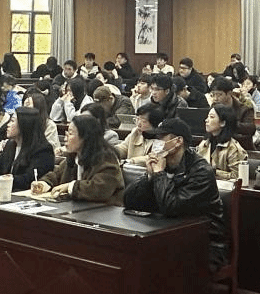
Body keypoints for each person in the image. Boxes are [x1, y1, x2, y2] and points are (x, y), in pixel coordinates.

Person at [122, 117, 226, 270]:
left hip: (204, 244)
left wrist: (159, 175)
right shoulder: (162, 165)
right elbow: (129, 201)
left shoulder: (201, 171)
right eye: (155, 139)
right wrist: (149, 176)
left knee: (153, 266)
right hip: (167, 236)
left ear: (178, 141)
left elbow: (171, 207)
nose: (156, 144)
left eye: (161, 138)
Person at [31, 113, 124, 204]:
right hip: (79, 208)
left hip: (104, 210)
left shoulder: (106, 158)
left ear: (85, 137)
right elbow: (56, 174)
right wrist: (45, 183)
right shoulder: (74, 157)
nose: (65, 139)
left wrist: (70, 187)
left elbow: (100, 189)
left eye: (70, 133)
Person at [0, 106, 55, 192]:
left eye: (12, 121)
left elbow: (28, 179)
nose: (8, 125)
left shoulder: (43, 150)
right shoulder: (10, 144)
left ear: (24, 124)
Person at [197, 104, 247, 180]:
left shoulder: (233, 148)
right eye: (208, 117)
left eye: (211, 117)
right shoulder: (204, 143)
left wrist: (214, 172)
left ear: (223, 123)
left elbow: (237, 176)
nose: (206, 120)